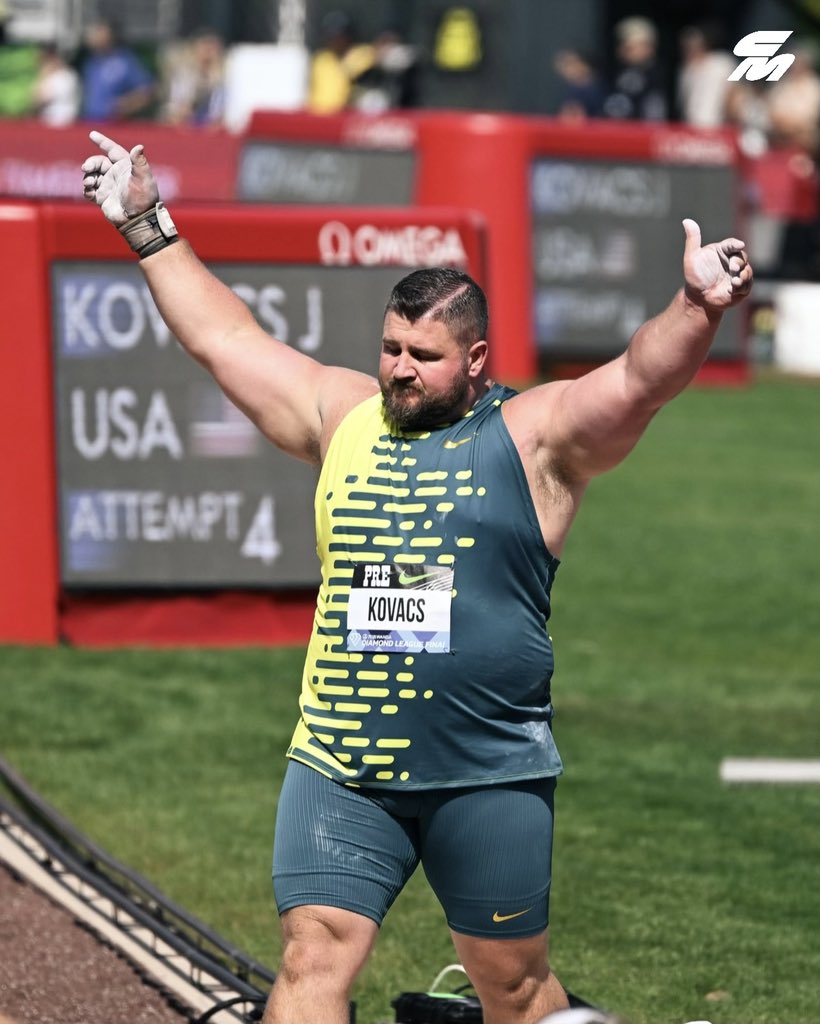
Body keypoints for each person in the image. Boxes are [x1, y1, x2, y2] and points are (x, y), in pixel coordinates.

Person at [80, 130, 753, 1024]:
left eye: (423, 356)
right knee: (311, 955)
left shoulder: (534, 437)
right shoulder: (343, 414)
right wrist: (148, 228)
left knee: (511, 989)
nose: (400, 368)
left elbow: (635, 381)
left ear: (475, 361)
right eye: (392, 346)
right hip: (343, 759)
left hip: (486, 770)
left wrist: (697, 306)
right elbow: (225, 338)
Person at [79, 17, 155, 122]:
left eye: (100, 32)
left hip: (114, 125)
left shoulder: (125, 61)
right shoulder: (92, 61)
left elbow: (147, 91)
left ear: (111, 36)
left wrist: (126, 105)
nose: (95, 36)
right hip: (90, 121)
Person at [603, 16, 666, 122]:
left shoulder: (655, 75)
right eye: (625, 45)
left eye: (632, 47)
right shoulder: (614, 71)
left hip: (639, 132)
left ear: (649, 47)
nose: (625, 50)